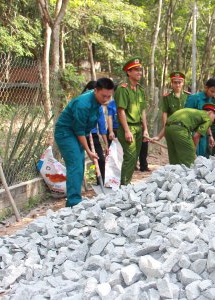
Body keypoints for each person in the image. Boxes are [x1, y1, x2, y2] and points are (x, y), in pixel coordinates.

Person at [54, 78, 114, 207]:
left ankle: (76, 196)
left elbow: (90, 127)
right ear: (95, 90)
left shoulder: (97, 102)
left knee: (79, 164)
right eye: (104, 96)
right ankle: (73, 202)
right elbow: (79, 130)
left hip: (78, 133)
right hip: (66, 133)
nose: (106, 99)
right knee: (75, 163)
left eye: (109, 96)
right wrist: (89, 151)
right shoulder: (83, 104)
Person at [115, 57, 149, 185]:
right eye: (136, 70)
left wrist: (145, 129)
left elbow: (143, 111)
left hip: (139, 128)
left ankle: (127, 184)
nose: (139, 72)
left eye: (140, 70)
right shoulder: (123, 89)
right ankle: (123, 186)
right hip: (127, 128)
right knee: (129, 157)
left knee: (134, 158)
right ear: (128, 72)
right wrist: (127, 131)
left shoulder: (140, 90)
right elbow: (121, 111)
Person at [185, 78, 215, 157]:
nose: (214, 95)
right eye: (212, 91)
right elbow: (185, 116)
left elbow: (207, 120)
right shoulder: (194, 98)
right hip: (192, 134)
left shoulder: (210, 100)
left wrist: (210, 136)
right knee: (192, 157)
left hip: (203, 134)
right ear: (206, 88)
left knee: (204, 157)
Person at [82, 81, 109, 185]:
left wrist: (106, 144)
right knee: (79, 160)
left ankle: (100, 183)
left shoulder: (98, 107)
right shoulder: (81, 103)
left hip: (92, 135)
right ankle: (79, 185)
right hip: (79, 134)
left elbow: (102, 125)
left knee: (101, 159)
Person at [152, 71, 190, 143]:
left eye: (179, 82)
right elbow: (164, 113)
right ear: (172, 83)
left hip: (185, 129)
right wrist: (166, 128)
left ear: (183, 83)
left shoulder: (188, 96)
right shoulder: (167, 97)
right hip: (172, 127)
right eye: (175, 82)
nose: (177, 85)